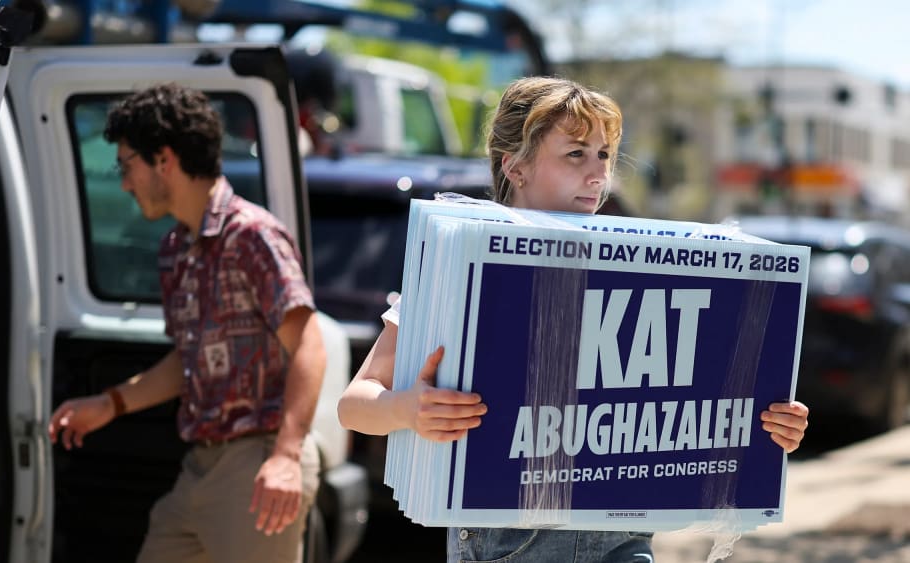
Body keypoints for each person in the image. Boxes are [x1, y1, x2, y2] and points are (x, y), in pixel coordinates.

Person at [336, 76, 810, 563]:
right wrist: (408, 409)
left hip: (625, 543)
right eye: (575, 154)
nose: (597, 174)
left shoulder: (647, 267)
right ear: (515, 166)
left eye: (604, 155)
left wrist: (770, 426)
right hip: (510, 545)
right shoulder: (459, 264)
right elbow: (354, 403)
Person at [48, 83, 326, 563]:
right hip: (199, 467)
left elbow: (309, 345)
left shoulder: (252, 236)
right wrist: (110, 404)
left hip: (257, 462)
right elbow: (189, 361)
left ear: (164, 159)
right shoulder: (176, 250)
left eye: (126, 164)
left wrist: (285, 456)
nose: (123, 183)